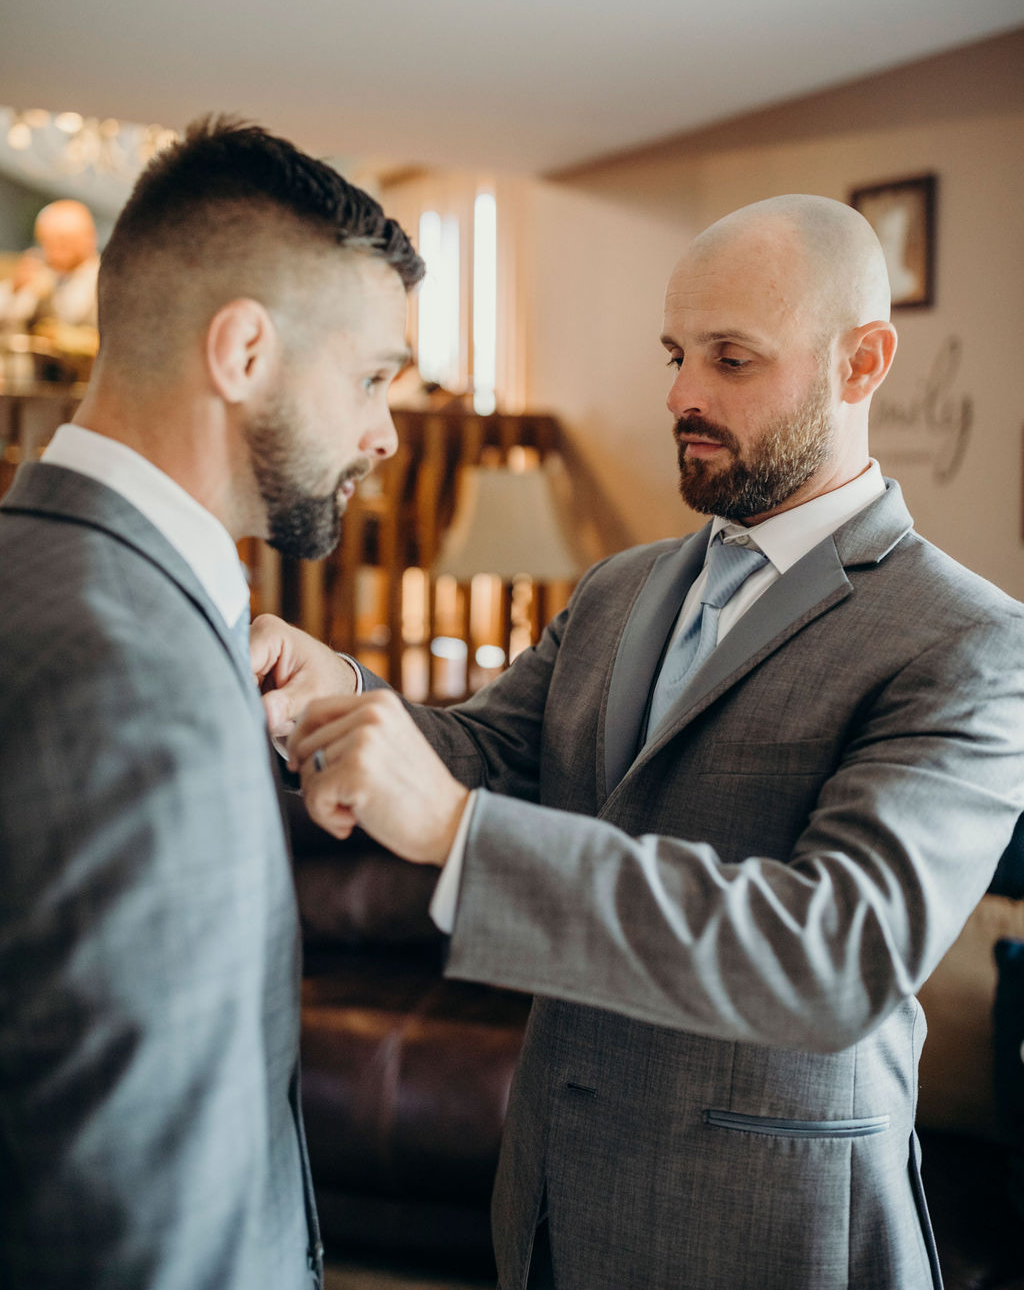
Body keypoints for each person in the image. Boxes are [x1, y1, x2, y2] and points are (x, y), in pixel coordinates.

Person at [252, 194, 1024, 1290]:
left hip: (765, 1236)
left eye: (731, 359)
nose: (679, 395)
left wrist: (464, 840)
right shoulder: (620, 589)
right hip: (553, 1207)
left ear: (863, 362)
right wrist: (339, 687)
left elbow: (836, 954)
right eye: (675, 353)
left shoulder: (970, 643)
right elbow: (477, 751)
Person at [0, 117, 423, 1289]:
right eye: (374, 376)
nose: (385, 431)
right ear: (242, 353)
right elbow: (141, 1218)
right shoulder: (136, 686)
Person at [31, 197, 102, 328]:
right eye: (47, 243)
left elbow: (70, 316)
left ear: (89, 238)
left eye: (63, 243)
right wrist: (17, 289)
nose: (54, 252)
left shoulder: (104, 278)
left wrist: (45, 293)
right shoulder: (48, 271)